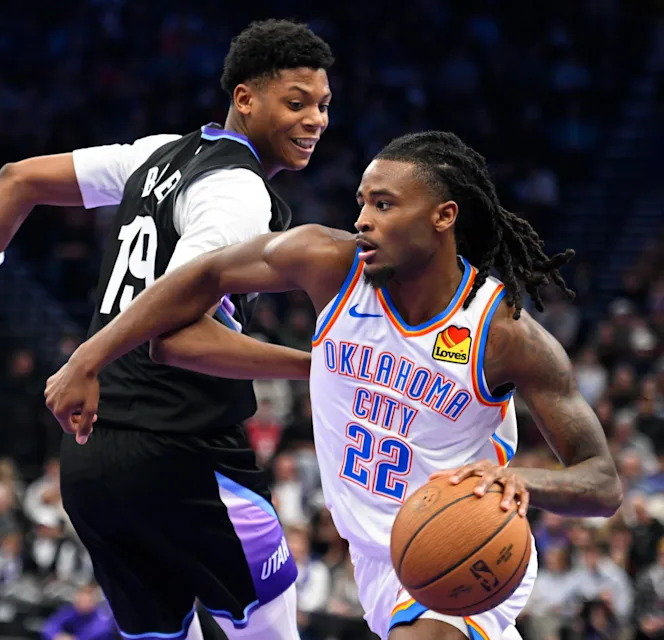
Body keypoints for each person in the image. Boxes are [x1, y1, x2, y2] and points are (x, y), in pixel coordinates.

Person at [44, 131, 624, 640]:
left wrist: (514, 478)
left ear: (442, 217)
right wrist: (88, 359)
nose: (363, 219)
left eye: (385, 204)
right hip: (374, 555)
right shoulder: (329, 262)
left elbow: (601, 482)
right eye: (362, 203)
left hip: (462, 539)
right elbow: (201, 278)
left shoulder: (503, 334)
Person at [0, 18, 333, 639]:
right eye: (296, 103)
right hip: (183, 449)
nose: (316, 119)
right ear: (244, 98)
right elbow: (175, 338)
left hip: (91, 461)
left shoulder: (155, 154)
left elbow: (16, 180)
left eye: (322, 105)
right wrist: (319, 366)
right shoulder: (237, 192)